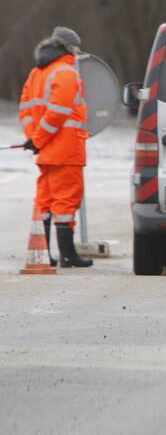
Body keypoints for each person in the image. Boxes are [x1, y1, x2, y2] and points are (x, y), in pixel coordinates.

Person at [18, 26, 93, 268]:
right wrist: (38, 140)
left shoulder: (36, 74)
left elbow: (26, 110)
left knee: (45, 203)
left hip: (47, 151)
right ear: (68, 47)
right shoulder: (66, 73)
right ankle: (68, 255)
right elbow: (59, 113)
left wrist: (34, 139)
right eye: (77, 47)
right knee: (66, 202)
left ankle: (42, 254)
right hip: (66, 150)